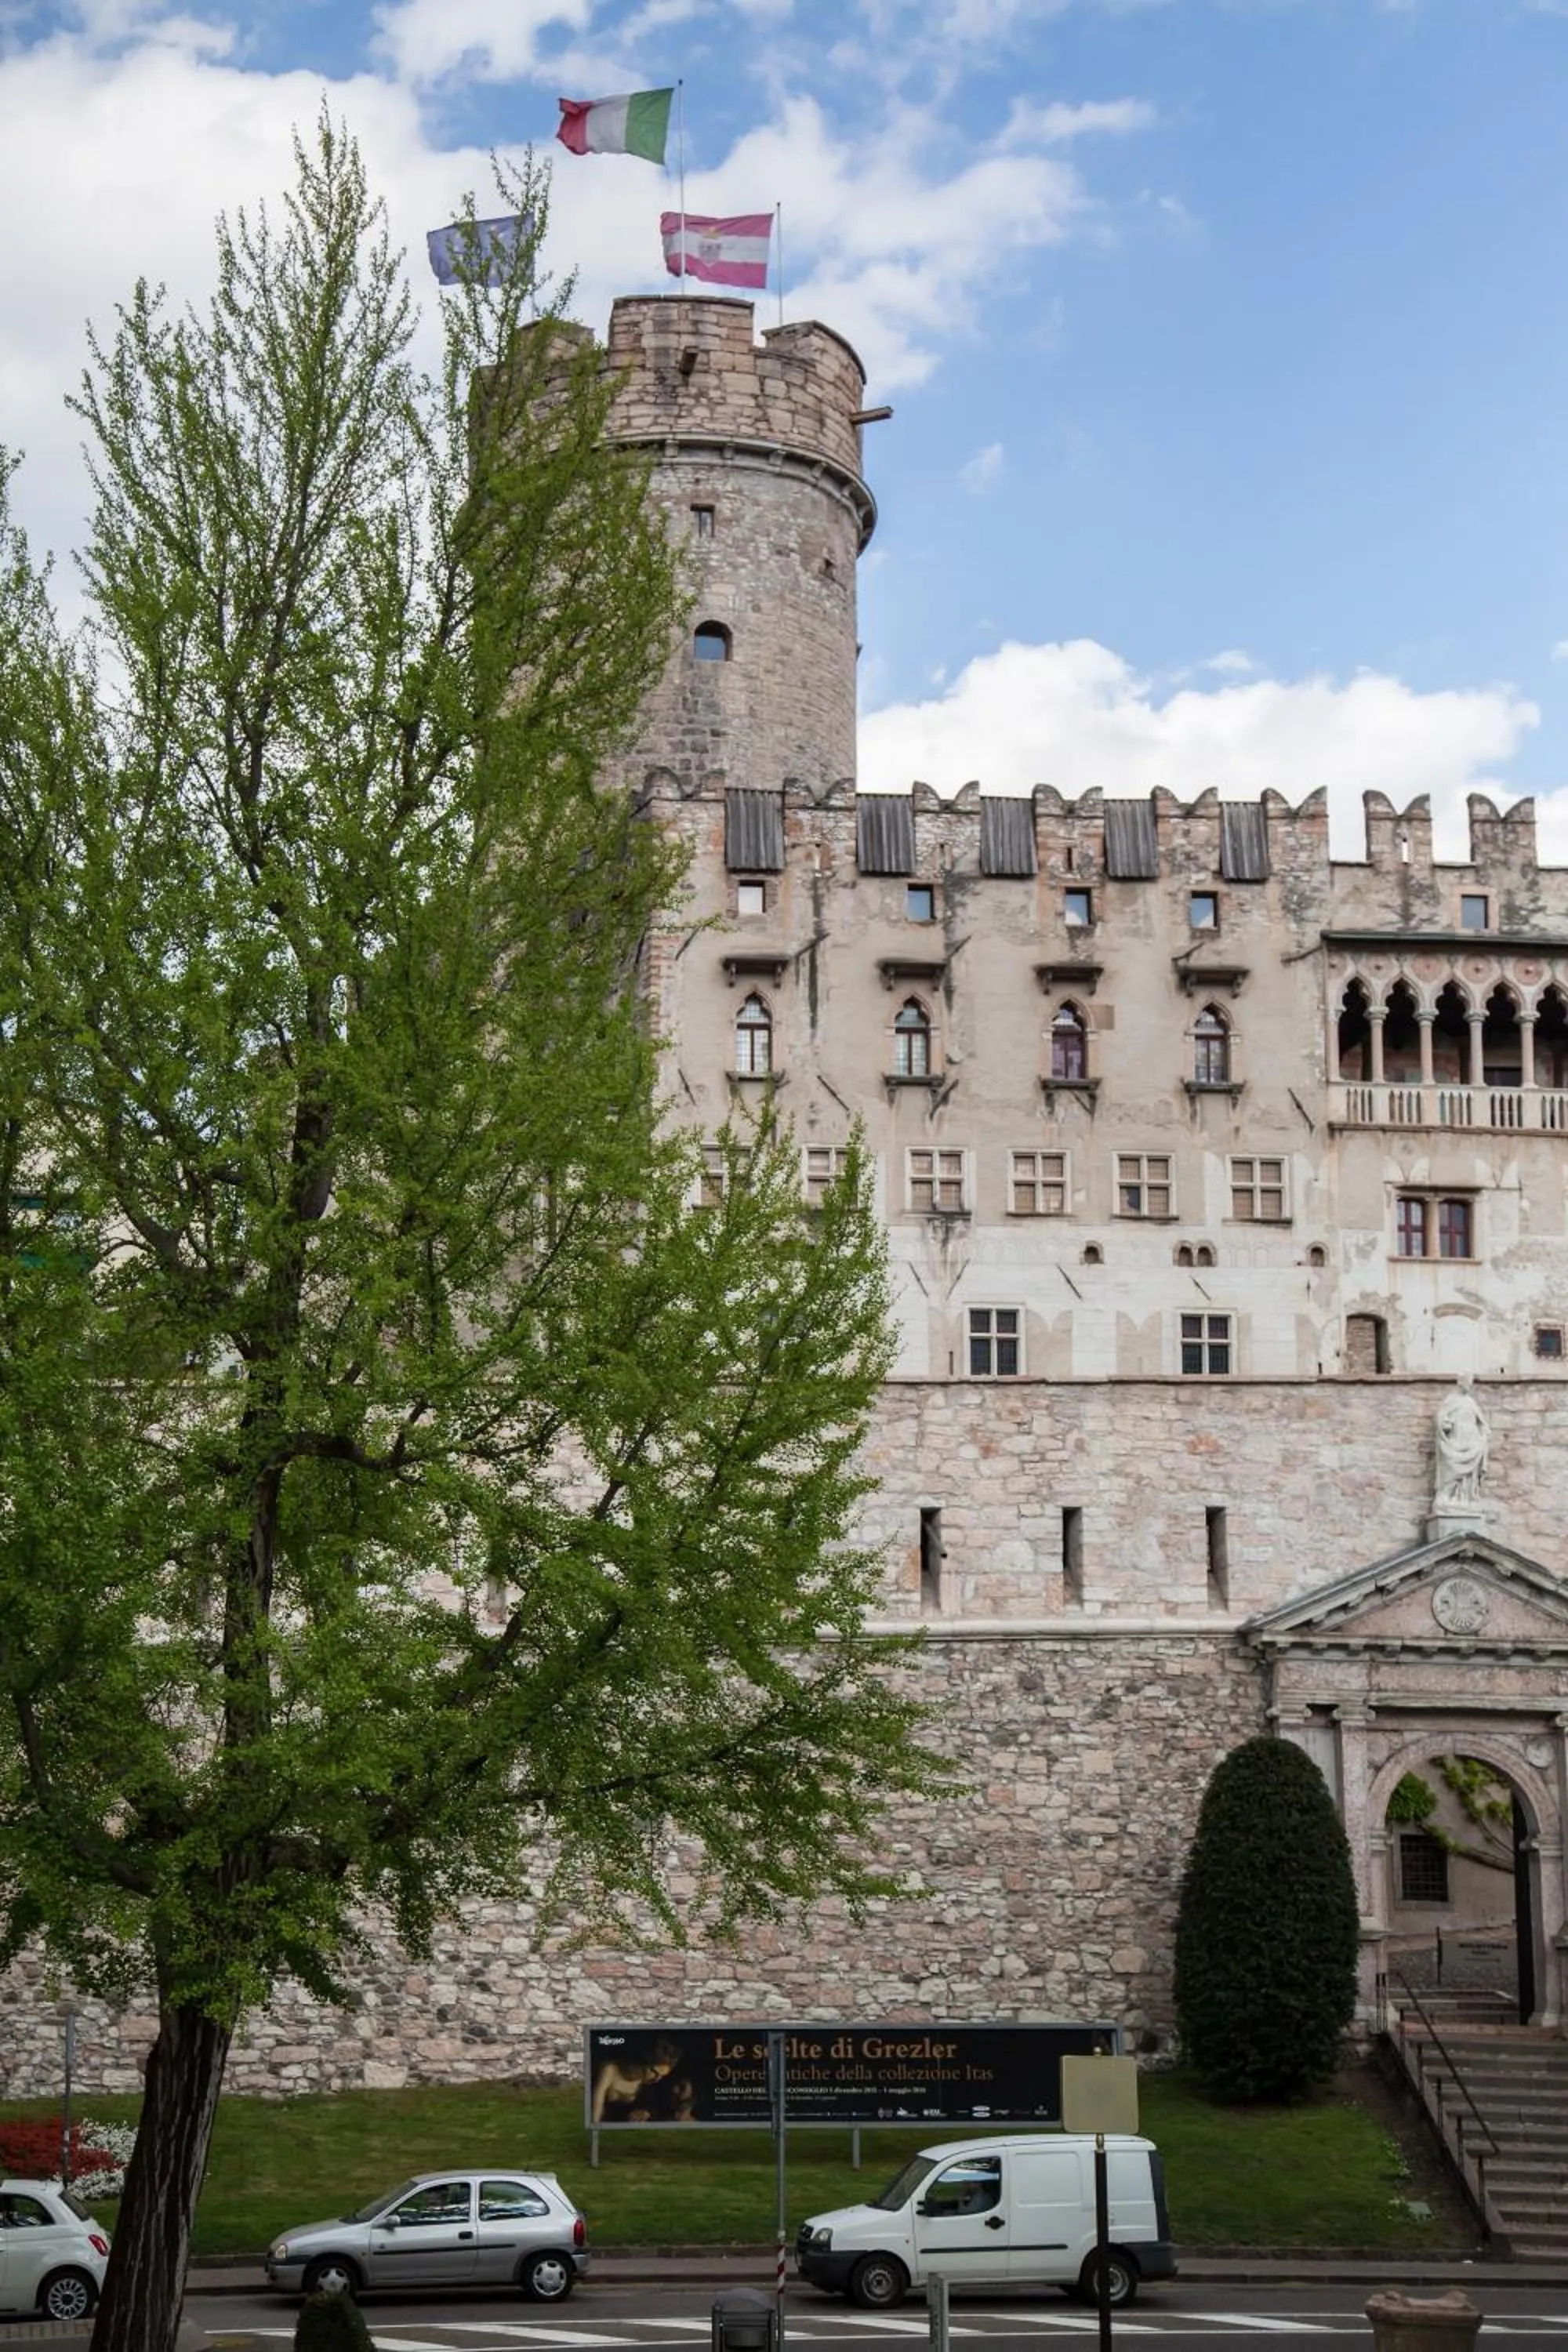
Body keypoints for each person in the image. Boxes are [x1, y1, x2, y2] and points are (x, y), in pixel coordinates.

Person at [1435, 1376, 1489, 1507]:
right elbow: (1441, 1418)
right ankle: (1446, 1496)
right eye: (1467, 1383)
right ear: (1460, 1383)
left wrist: (1483, 1435)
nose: (1469, 1386)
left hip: (1471, 1439)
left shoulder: (1471, 1402)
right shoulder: (1451, 1400)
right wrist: (1445, 1424)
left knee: (1469, 1474)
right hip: (1456, 1439)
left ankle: (1467, 1498)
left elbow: (1482, 1423)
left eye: (1470, 1383)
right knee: (1451, 1467)